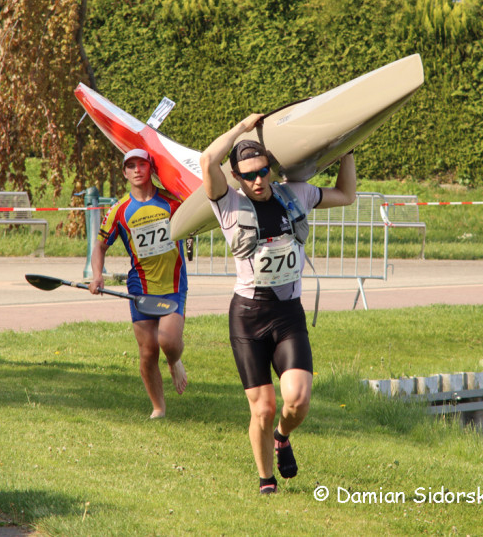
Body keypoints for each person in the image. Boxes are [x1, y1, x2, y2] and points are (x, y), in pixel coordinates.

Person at [199, 113, 356, 494]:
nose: (257, 180)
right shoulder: (227, 204)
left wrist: (348, 149)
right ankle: (266, 480)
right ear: (236, 176)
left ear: (271, 167)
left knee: (297, 400)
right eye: (249, 174)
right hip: (249, 317)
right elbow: (207, 161)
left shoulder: (295, 194)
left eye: (263, 171)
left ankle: (282, 437)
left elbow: (347, 195)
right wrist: (240, 128)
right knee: (263, 408)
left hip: (288, 314)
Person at [89, 148, 188, 419]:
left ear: (150, 168)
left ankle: (174, 360)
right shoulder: (119, 210)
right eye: (130, 166)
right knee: (147, 351)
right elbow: (99, 247)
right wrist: (97, 275)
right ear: (124, 172)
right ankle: (158, 408)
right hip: (140, 287)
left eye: (141, 164)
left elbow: (196, 220)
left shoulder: (173, 202)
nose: (136, 170)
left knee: (167, 341)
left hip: (173, 283)